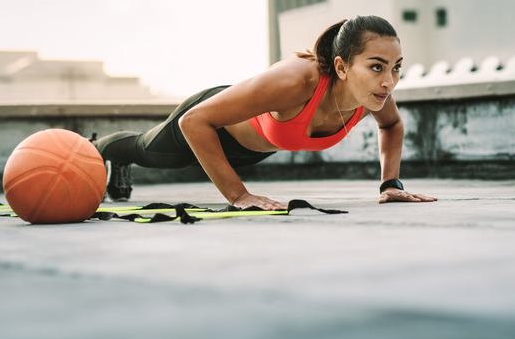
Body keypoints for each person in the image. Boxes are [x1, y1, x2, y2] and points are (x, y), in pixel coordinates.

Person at [93, 15, 436, 210]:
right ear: (341, 67)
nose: (390, 81)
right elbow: (194, 121)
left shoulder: (373, 95)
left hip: (250, 151)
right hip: (212, 121)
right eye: (377, 67)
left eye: (396, 68)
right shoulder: (295, 82)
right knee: (149, 153)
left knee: (159, 156)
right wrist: (239, 196)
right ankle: (97, 149)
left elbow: (391, 126)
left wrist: (390, 183)